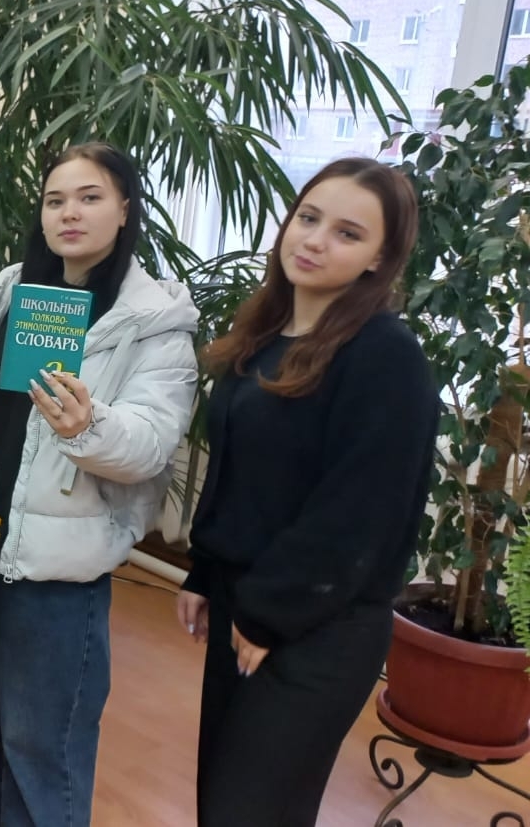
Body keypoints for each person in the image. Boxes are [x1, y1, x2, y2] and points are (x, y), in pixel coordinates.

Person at [0, 143, 198, 827]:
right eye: (55, 200)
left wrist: (89, 425)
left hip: (58, 570)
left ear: (125, 210)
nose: (69, 213)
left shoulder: (152, 321)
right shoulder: (12, 291)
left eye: (89, 197)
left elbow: (151, 443)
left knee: (42, 745)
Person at [176, 157, 436, 826]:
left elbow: (358, 514)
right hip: (247, 602)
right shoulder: (265, 335)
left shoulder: (386, 355)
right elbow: (240, 472)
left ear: (380, 258)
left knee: (249, 811)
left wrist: (269, 613)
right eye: (308, 218)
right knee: (222, 802)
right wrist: (205, 570)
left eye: (348, 233)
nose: (315, 240)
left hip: (318, 622)